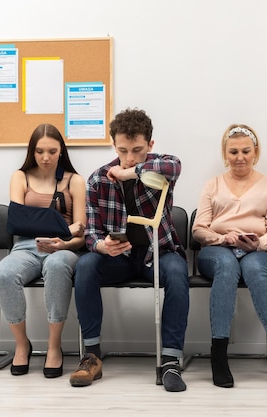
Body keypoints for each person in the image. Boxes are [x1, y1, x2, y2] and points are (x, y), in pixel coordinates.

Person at [69, 108, 189, 392]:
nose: (130, 156)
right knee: (85, 266)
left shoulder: (161, 168)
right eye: (123, 150)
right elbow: (91, 233)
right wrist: (102, 245)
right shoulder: (98, 179)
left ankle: (171, 360)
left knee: (176, 270)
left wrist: (129, 172)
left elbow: (175, 166)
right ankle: (91, 356)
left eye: (137, 150)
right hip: (119, 259)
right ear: (114, 146)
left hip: (157, 252)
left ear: (151, 145)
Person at [192, 124, 267, 390]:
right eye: (234, 151)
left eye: (246, 151)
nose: (240, 157)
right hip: (217, 250)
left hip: (257, 250)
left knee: (254, 271)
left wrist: (258, 243)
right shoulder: (212, 185)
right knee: (227, 266)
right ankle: (219, 355)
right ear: (225, 154)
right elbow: (199, 229)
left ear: (255, 152)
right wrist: (222, 239)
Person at [0, 123, 86, 378]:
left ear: (61, 151)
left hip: (63, 250)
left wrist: (64, 241)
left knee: (56, 267)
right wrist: (64, 226)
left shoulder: (74, 181)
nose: (46, 157)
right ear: (32, 152)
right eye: (40, 151)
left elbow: (81, 234)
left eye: (52, 151)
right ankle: (22, 344)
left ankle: (54, 346)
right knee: (3, 275)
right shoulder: (20, 177)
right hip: (25, 246)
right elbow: (16, 222)